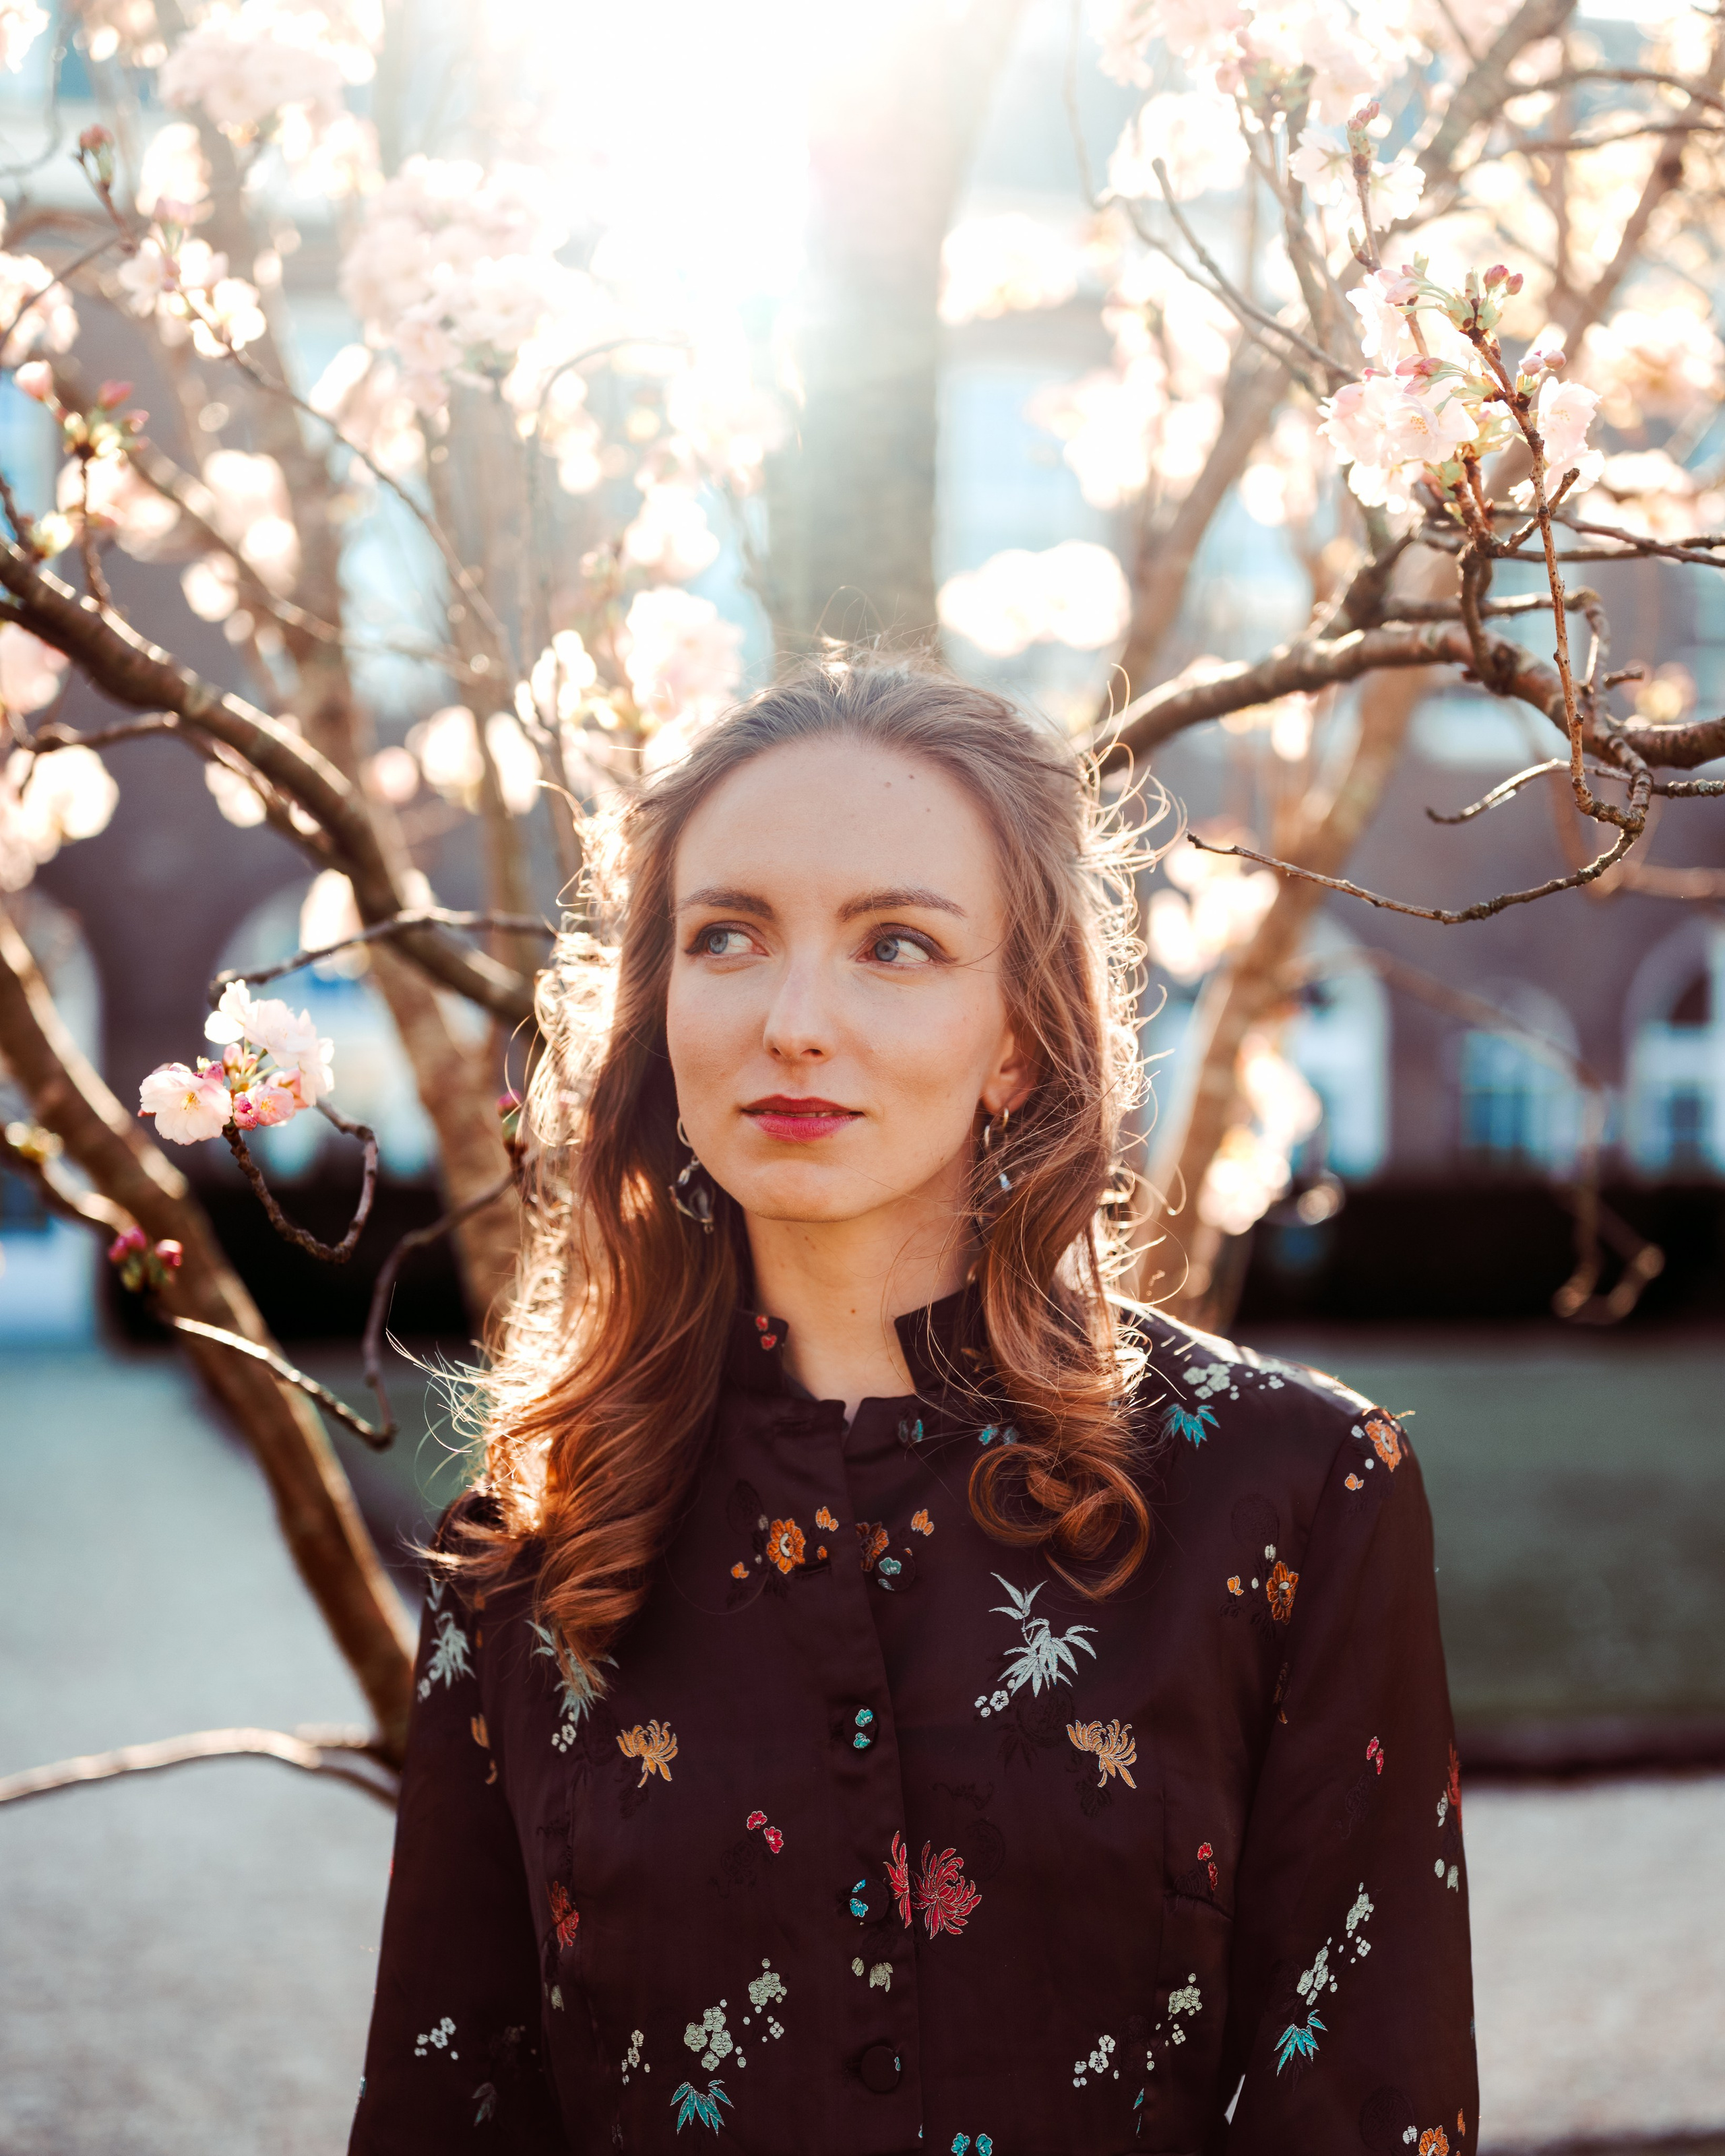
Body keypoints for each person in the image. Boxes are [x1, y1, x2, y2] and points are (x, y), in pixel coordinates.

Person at [350, 654, 1476, 2155]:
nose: (794, 1020)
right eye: (728, 935)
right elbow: (448, 2110)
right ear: (661, 1003)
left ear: (1016, 1030)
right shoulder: (525, 1550)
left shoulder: (1296, 1496)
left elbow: (1362, 2106)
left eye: (894, 944)